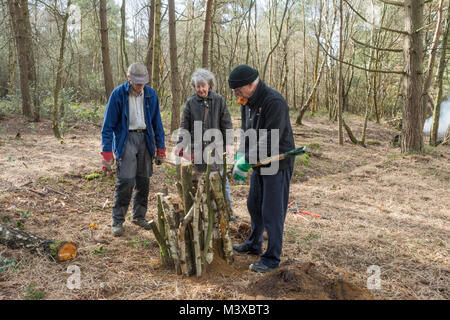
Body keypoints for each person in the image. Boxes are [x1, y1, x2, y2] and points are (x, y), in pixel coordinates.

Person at [228, 64, 295, 273]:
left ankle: (271, 258)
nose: (236, 95)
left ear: (251, 84)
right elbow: (246, 131)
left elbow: (271, 140)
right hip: (258, 162)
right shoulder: (246, 102)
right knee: (254, 204)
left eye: (238, 90)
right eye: (234, 92)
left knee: (272, 211)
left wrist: (246, 160)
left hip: (277, 161)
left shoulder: (273, 101)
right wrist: (241, 154)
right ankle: (254, 243)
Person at [101, 62, 166, 237]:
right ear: (129, 78)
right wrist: (106, 152)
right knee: (126, 181)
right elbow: (108, 126)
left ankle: (138, 215)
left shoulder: (151, 95)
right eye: (137, 82)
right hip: (126, 139)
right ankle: (117, 220)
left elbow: (157, 123)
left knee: (143, 181)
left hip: (145, 139)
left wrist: (161, 147)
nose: (140, 86)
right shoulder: (118, 95)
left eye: (142, 82)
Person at [175, 68, 235, 219]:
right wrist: (181, 144)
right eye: (198, 86)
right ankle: (200, 212)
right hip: (197, 149)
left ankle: (227, 211)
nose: (201, 89)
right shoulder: (190, 103)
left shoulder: (219, 100)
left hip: (216, 149)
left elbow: (227, 123)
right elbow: (184, 127)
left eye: (203, 85)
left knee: (221, 182)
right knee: (198, 181)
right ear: (194, 87)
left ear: (209, 85)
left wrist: (229, 144)